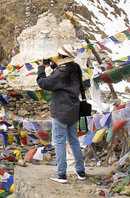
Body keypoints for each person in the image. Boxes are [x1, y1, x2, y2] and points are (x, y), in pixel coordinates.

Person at [37, 44, 86, 183]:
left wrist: (41, 68)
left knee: (59, 142)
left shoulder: (62, 73)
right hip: (73, 110)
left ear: (61, 57)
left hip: (60, 112)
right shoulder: (75, 69)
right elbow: (63, 80)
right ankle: (81, 171)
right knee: (74, 141)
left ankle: (61, 174)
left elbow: (44, 83)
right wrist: (53, 67)